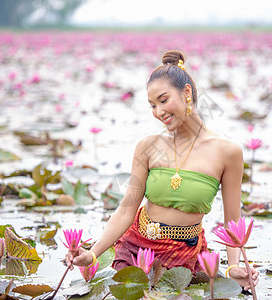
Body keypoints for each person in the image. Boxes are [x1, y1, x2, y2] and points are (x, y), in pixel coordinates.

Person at [66, 50, 259, 291]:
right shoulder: (148, 147)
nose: (158, 112)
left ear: (186, 92)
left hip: (185, 255)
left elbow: (232, 220)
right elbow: (127, 209)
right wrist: (93, 254)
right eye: (152, 105)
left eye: (163, 100)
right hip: (138, 249)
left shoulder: (228, 152)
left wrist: (233, 268)